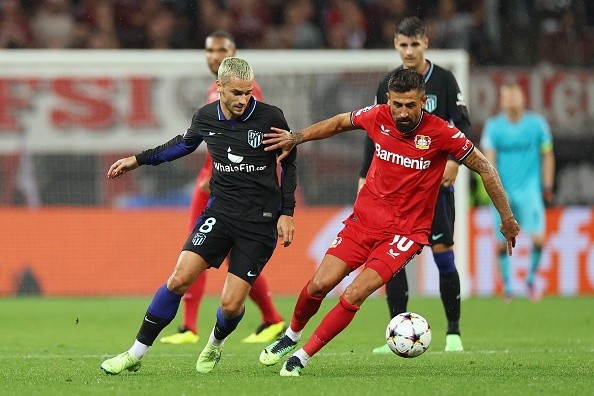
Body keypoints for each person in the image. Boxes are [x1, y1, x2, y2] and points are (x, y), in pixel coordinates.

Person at [258, 69, 519, 377]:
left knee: (354, 294)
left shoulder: (442, 134)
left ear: (424, 101)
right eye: (397, 104)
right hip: (364, 221)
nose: (403, 112)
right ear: (388, 101)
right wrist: (298, 137)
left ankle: (301, 357)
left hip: (405, 234)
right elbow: (341, 122)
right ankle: (291, 335)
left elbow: (485, 168)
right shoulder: (378, 116)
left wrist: (507, 217)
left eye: (410, 105)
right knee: (319, 284)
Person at [100, 57, 297, 375]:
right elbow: (182, 145)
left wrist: (287, 212)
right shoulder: (206, 117)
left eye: (248, 93)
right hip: (220, 212)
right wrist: (138, 159)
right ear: (219, 87)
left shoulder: (270, 117)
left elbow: (289, 165)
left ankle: (215, 344)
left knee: (231, 305)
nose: (243, 100)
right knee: (178, 279)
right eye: (236, 93)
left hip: (259, 222)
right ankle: (134, 353)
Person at [159, 30, 286, 346]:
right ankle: (270, 318)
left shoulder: (241, 90)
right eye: (210, 50)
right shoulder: (214, 89)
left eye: (221, 50)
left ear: (233, 52)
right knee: (222, 255)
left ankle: (190, 327)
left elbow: (246, 144)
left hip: (220, 187)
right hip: (215, 182)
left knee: (197, 250)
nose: (214, 56)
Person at [358, 16, 473, 354]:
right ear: (395, 45)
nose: (409, 51)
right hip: (396, 190)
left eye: (415, 44)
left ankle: (453, 332)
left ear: (426, 43)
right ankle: (396, 330)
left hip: (434, 186)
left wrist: (453, 161)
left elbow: (463, 124)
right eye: (403, 45)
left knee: (443, 256)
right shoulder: (389, 84)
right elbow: (375, 132)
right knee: (391, 259)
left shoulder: (446, 80)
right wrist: (365, 173)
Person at [481, 80, 555, 302]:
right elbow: (488, 161)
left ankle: (531, 279)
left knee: (539, 239)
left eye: (514, 95)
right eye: (506, 96)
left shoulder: (537, 125)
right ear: (501, 101)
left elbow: (547, 154)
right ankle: (507, 287)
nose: (511, 100)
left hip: (530, 191)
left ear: (523, 99)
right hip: (503, 193)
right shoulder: (493, 127)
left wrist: (548, 184)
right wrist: (494, 189)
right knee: (501, 242)